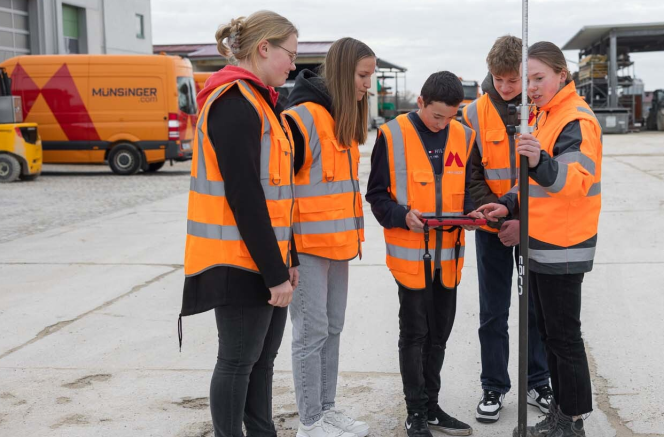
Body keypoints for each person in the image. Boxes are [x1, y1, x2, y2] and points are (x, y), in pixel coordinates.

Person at [180, 11, 299, 437]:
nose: (293, 64)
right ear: (264, 48)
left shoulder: (261, 103)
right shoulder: (233, 104)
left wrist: (289, 258)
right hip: (238, 260)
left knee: (260, 362)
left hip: (266, 257)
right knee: (237, 361)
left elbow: (277, 194)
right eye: (290, 53)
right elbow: (245, 196)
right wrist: (274, 271)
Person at [476, 41, 602, 437]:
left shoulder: (574, 119)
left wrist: (538, 160)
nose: (530, 87)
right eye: (527, 80)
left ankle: (572, 421)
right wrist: (508, 204)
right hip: (540, 242)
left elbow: (573, 182)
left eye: (538, 78)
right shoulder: (545, 115)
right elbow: (532, 183)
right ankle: (562, 413)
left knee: (565, 338)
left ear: (561, 75)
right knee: (550, 335)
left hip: (563, 246)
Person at [366, 71, 482, 437]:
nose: (443, 123)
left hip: (449, 256)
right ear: (420, 103)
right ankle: (415, 411)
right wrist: (402, 216)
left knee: (440, 335)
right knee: (414, 333)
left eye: (451, 116)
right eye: (436, 116)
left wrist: (475, 212)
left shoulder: (465, 136)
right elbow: (377, 196)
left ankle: (432, 406)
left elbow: (470, 188)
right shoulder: (392, 134)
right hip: (411, 258)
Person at [281, 37, 375, 437]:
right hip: (305, 249)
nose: (368, 84)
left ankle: (327, 408)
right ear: (341, 72)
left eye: (370, 75)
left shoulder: (344, 119)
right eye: (362, 75)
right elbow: (277, 188)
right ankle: (310, 422)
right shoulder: (302, 118)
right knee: (310, 334)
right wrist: (284, 253)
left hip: (338, 247)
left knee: (332, 329)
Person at [461, 35, 553, 424]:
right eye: (498, 80)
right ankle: (493, 387)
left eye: (512, 80)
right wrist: (498, 219)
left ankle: (538, 381)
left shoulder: (543, 111)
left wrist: (522, 220)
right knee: (492, 311)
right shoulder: (472, 114)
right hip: (491, 228)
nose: (505, 87)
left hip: (532, 225)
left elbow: (547, 173)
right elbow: (470, 174)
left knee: (534, 309)